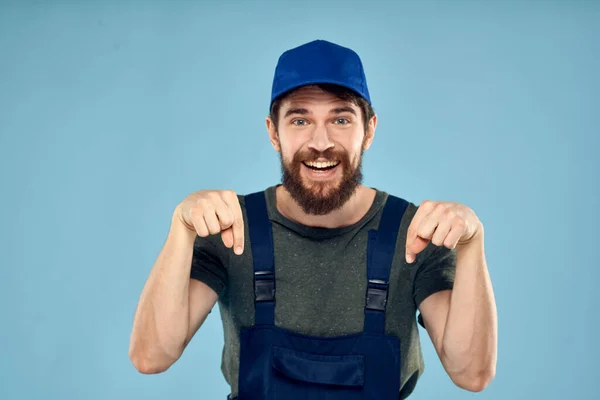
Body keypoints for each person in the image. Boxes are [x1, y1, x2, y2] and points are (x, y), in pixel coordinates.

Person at [128, 39, 498, 399]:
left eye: (340, 118)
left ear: (368, 130)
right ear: (274, 132)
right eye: (300, 120)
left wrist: (472, 242)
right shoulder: (231, 229)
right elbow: (151, 356)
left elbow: (471, 373)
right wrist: (181, 229)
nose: (321, 142)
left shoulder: (414, 234)